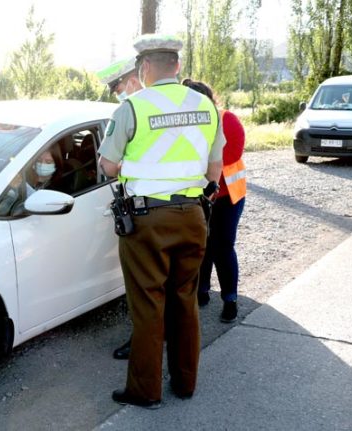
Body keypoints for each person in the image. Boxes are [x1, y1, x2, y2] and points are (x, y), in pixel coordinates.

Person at [98, 34, 225, 409]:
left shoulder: (132, 108)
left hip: (147, 221)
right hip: (193, 216)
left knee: (148, 304)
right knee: (184, 300)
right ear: (178, 66)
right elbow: (214, 167)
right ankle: (185, 384)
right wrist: (202, 193)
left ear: (146, 68)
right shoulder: (206, 106)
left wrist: (130, 168)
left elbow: (107, 165)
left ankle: (145, 391)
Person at [182, 79, 246, 324]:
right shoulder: (185, 123)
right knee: (202, 244)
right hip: (200, 194)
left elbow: (231, 154)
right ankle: (202, 292)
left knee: (222, 246)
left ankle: (230, 300)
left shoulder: (226, 119)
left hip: (227, 195)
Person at [97, 57, 142, 361]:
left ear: (134, 79)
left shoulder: (133, 111)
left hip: (146, 211)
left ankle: (143, 343)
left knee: (142, 285)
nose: (119, 94)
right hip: (186, 208)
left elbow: (109, 166)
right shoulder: (180, 107)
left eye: (118, 87)